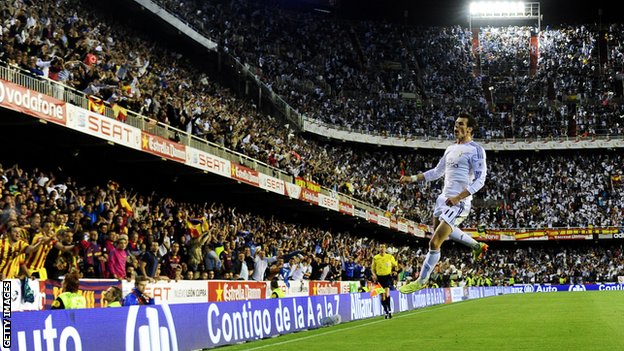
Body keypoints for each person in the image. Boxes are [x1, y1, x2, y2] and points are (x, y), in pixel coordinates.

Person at [399, 112, 488, 294]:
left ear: (470, 129)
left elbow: (480, 180)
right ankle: (477, 245)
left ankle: (422, 280)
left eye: (461, 124)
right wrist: (413, 178)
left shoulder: (476, 150)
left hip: (458, 202)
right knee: (439, 236)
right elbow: (437, 172)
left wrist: (459, 197)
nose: (457, 127)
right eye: (456, 124)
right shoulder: (450, 149)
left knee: (435, 242)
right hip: (443, 199)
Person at [371, 244, 398, 319]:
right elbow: (372, 269)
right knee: (382, 296)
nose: (382, 249)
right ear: (379, 249)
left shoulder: (389, 257)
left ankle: (389, 310)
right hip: (379, 278)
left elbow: (395, 265)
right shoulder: (376, 258)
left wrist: (395, 271)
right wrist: (374, 275)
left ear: (385, 249)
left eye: (383, 247)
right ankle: (385, 310)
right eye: (381, 247)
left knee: (387, 293)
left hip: (387, 277)